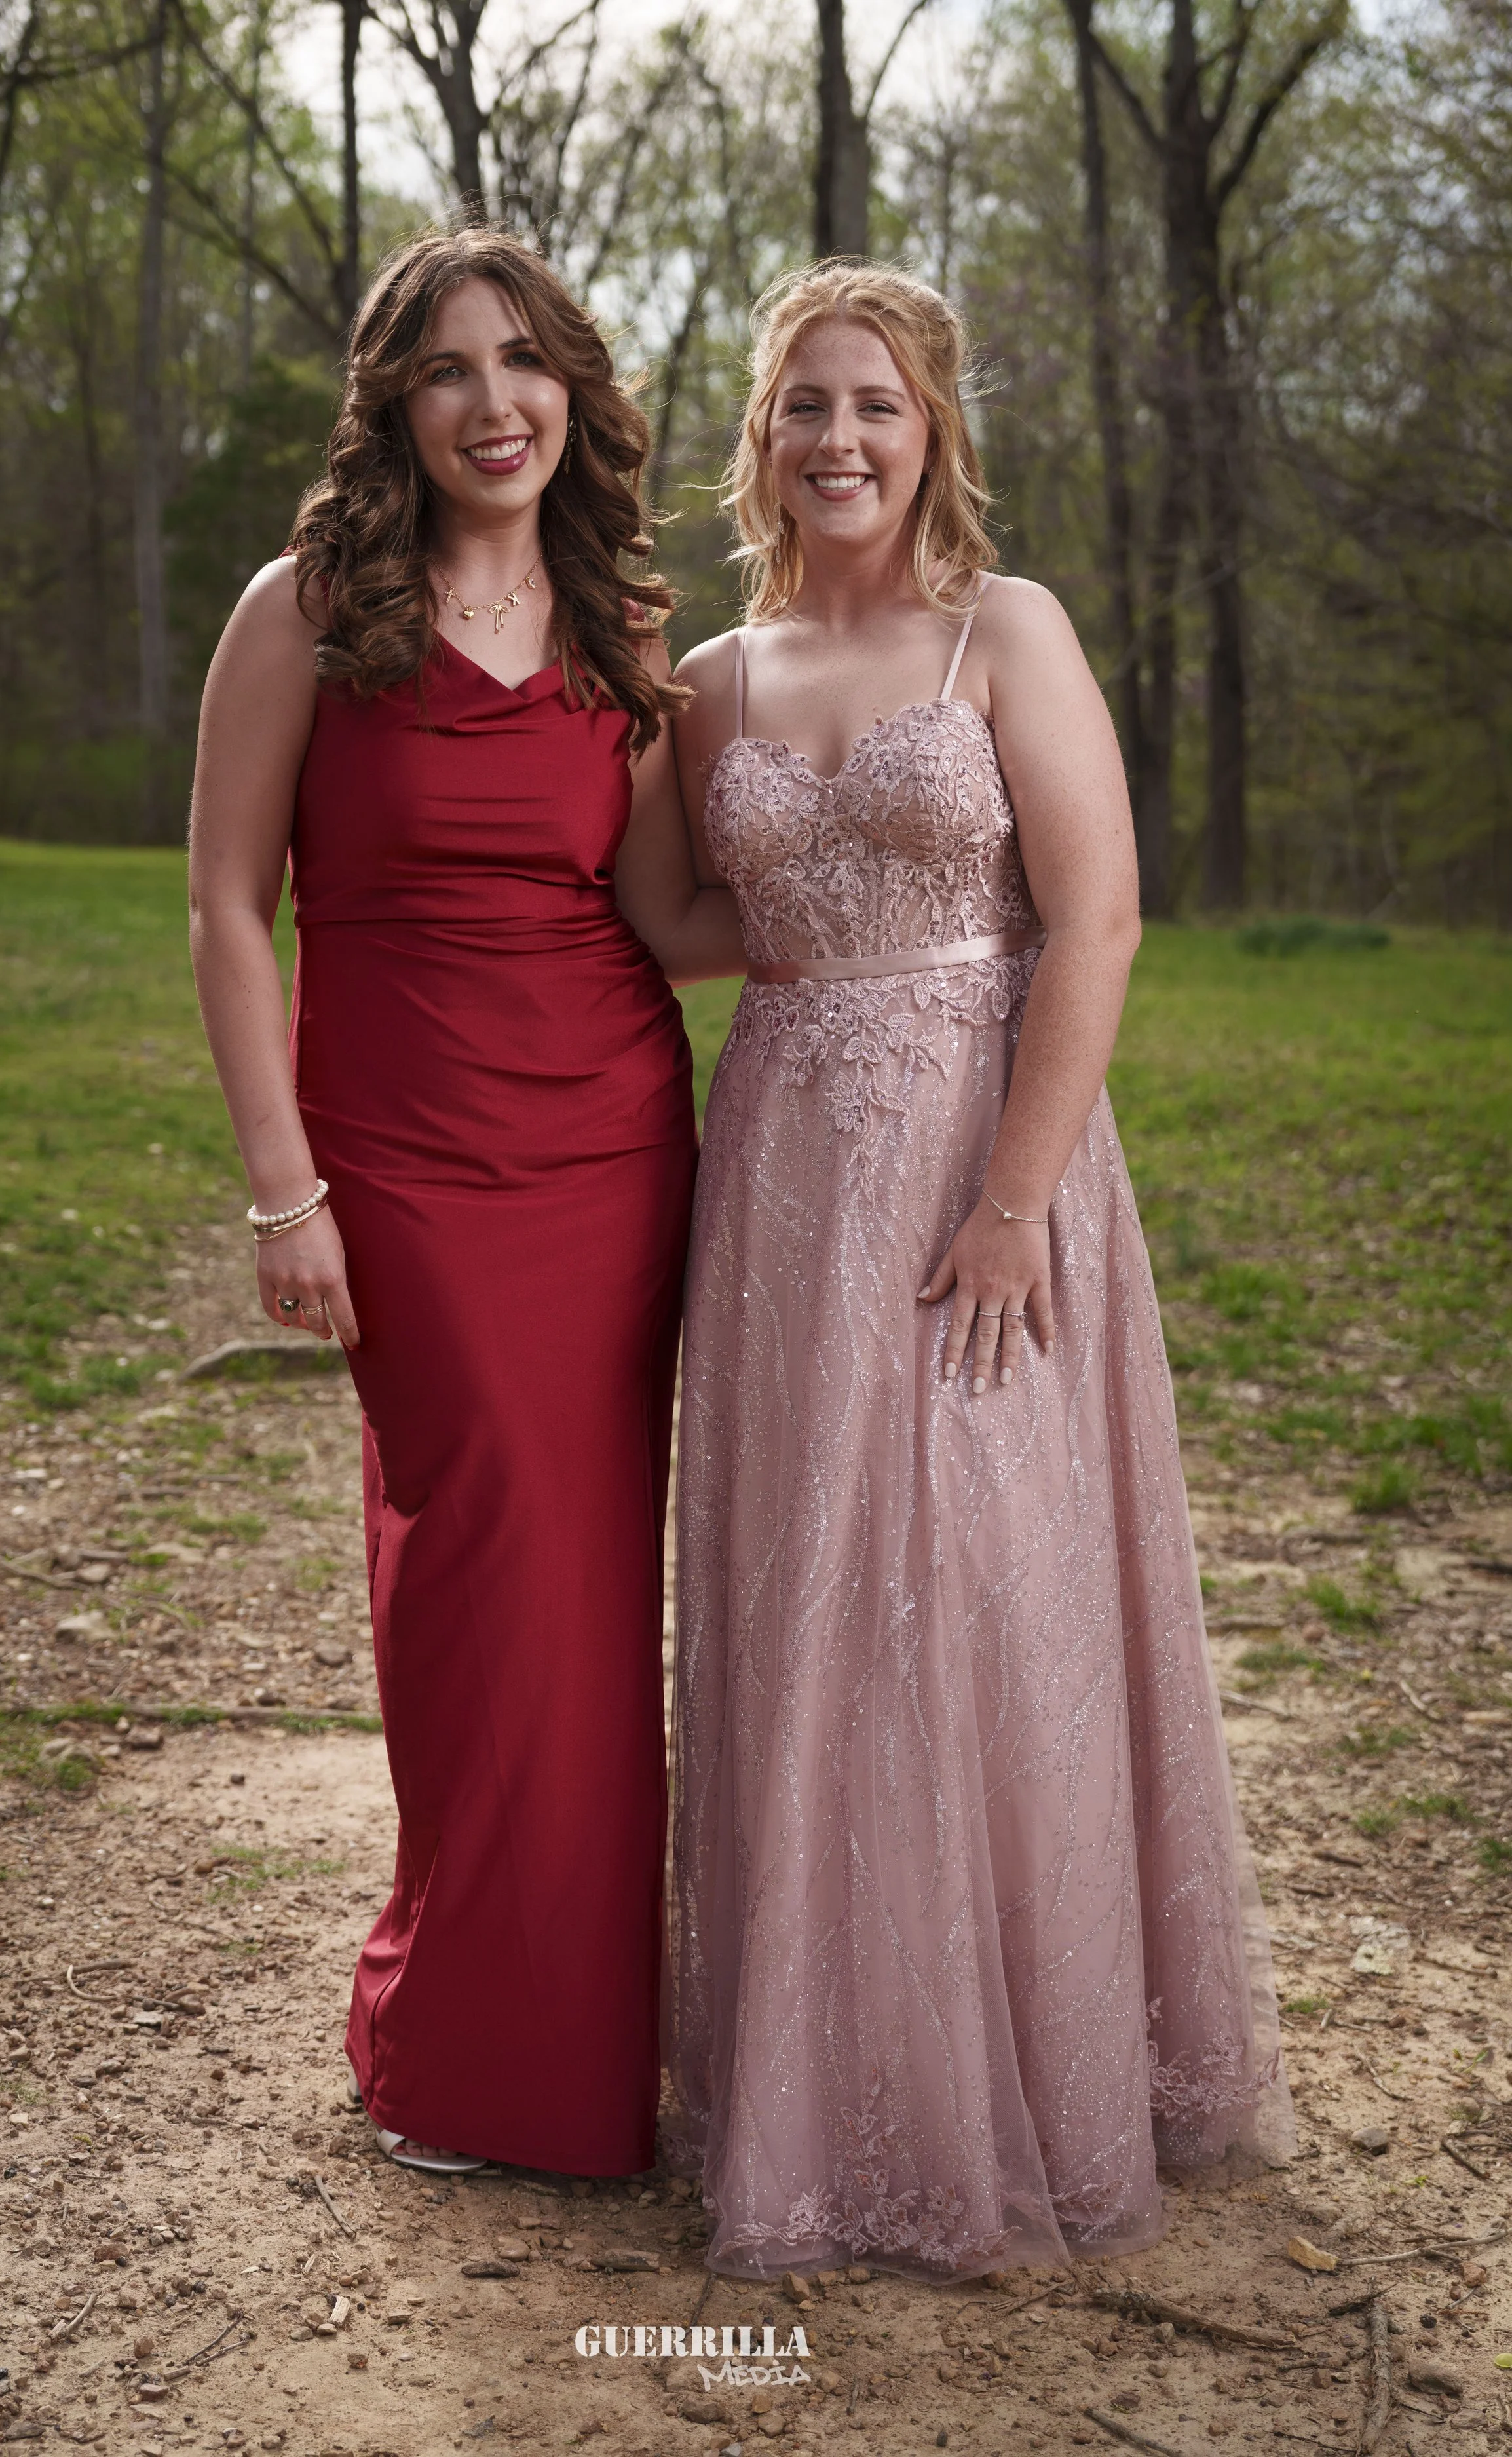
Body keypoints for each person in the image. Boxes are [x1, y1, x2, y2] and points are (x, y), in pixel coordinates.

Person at [664, 263, 1293, 2279]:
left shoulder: (1000, 630)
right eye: (802, 404)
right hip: (785, 1173)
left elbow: (1095, 916)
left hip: (982, 1155)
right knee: (813, 1593)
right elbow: (668, 917)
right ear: (760, 438)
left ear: (929, 427)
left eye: (874, 402)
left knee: (979, 1582)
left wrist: (1015, 1193)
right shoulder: (710, 679)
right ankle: (826, 2083)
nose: (837, 437)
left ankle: (1038, 2063)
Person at [187, 227, 741, 2179]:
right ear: (393, 407)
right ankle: (467, 2049)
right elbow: (226, 909)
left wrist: (889, 900)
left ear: (574, 392)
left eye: (523, 363)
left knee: (590, 1594)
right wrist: (285, 1193)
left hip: (614, 1146)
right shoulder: (306, 610)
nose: (491, 402)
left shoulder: (622, 632)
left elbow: (662, 917)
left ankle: (570, 2062)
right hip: (405, 1158)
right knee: (476, 1577)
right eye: (446, 367)